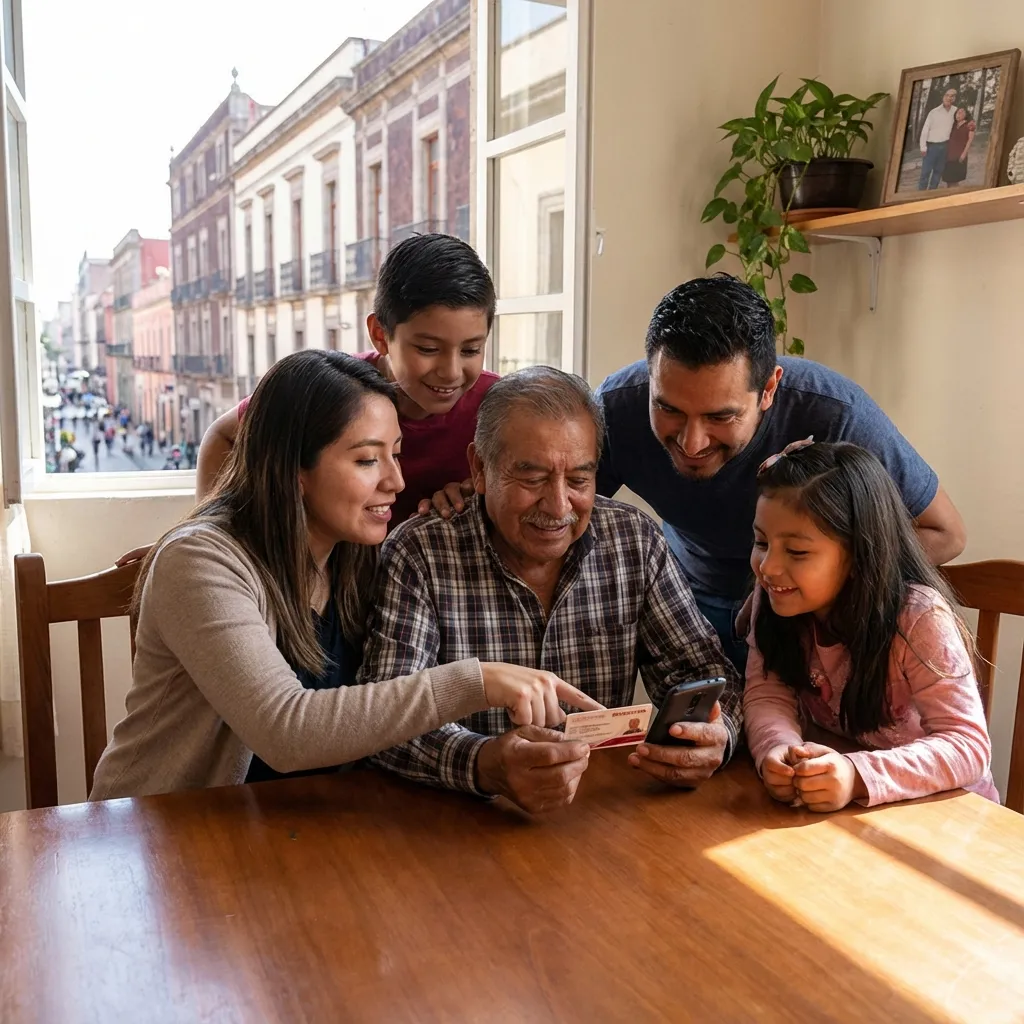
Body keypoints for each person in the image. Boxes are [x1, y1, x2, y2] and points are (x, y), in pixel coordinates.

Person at [90, 352, 599, 800]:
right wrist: (478, 680)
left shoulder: (353, 557)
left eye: (395, 454)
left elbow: (379, 705)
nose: (395, 481)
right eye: (366, 459)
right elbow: (287, 731)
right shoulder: (201, 561)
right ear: (294, 468)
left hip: (306, 829)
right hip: (162, 833)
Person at [359, 366, 741, 815]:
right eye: (533, 479)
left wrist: (715, 734)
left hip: (598, 813)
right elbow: (383, 716)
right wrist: (484, 763)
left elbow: (703, 671)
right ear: (480, 468)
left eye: (579, 480)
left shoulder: (633, 541)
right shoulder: (420, 552)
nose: (559, 506)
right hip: (455, 822)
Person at [593, 276, 966, 671]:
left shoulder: (836, 414)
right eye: (669, 410)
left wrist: (798, 580)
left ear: (769, 388)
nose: (692, 442)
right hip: (684, 599)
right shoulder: (615, 409)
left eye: (721, 416)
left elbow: (945, 533)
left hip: (807, 618)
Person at [743, 441, 997, 812]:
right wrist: (778, 748)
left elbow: (966, 746)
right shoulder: (773, 600)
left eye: (796, 552)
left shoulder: (918, 618)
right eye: (761, 541)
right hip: (850, 812)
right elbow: (767, 694)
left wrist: (856, 775)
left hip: (948, 816)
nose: (768, 567)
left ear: (861, 553)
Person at [195, 233, 499, 525]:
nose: (452, 371)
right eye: (428, 349)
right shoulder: (333, 387)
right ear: (380, 335)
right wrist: (221, 532)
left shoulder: (501, 407)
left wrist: (486, 493)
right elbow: (223, 436)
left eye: (471, 349)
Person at [918, 87, 957, 190]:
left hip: (945, 146)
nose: (949, 98)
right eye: (947, 95)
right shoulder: (934, 112)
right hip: (932, 146)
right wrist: (923, 147)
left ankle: (931, 193)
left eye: (952, 96)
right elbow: (925, 129)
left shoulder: (956, 111)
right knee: (925, 172)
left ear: (954, 98)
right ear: (943, 97)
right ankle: (920, 195)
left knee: (938, 172)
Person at [942, 105, 976, 186]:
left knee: (954, 180)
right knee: (948, 180)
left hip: (959, 155)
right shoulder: (954, 124)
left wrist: (964, 154)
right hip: (949, 155)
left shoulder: (970, 124)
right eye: (957, 113)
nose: (958, 114)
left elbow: (970, 140)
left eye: (961, 112)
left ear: (966, 114)